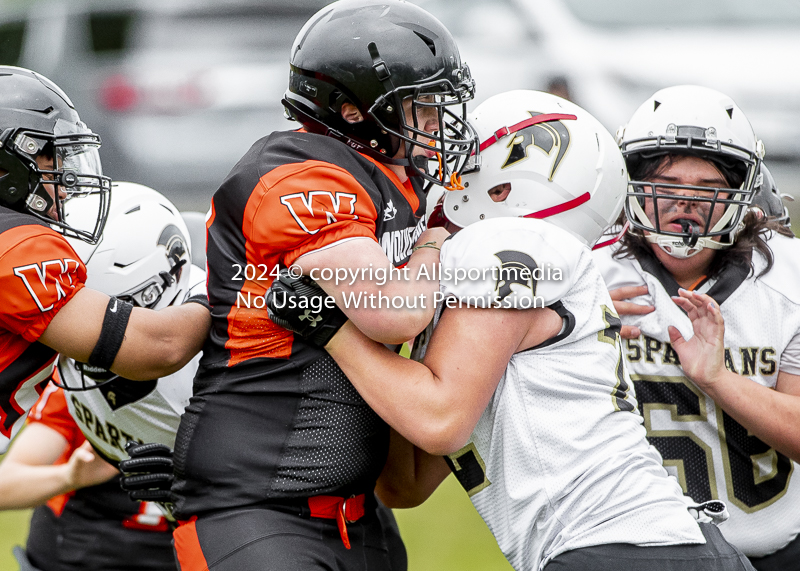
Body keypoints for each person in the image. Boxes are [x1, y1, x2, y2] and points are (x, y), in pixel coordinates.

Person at [267, 90, 756, 571]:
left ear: (505, 187)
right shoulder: (522, 267)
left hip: (620, 547)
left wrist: (330, 328)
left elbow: (439, 420)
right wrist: (385, 339)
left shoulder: (510, 239)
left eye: (465, 165)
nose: (444, 178)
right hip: (643, 545)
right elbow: (405, 483)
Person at [168, 1, 476, 569]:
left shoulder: (390, 179)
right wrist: (436, 239)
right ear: (354, 111)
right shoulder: (300, 174)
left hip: (356, 515)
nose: (436, 123)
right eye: (419, 107)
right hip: (258, 506)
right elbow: (392, 312)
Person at [592, 85, 800, 570]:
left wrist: (718, 378)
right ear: (635, 185)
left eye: (705, 188)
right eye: (666, 185)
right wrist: (576, 328)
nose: (684, 203)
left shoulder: (787, 282)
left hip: (774, 546)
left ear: (742, 192)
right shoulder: (590, 275)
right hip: (634, 550)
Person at [0, 66, 211, 455]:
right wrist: (218, 289)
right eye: (52, 163)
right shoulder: (14, 245)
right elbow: (157, 348)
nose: (64, 186)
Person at [0, 182, 206, 571]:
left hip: (185, 550)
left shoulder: (229, 376)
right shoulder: (83, 377)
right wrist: (71, 474)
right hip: (84, 550)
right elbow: (5, 484)